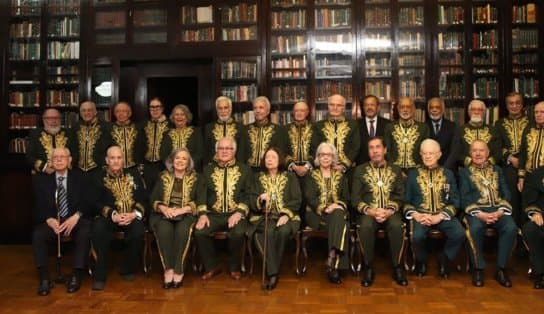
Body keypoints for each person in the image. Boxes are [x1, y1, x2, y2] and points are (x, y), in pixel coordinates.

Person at [32, 147, 91, 295]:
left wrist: (76, 216)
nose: (58, 160)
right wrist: (48, 219)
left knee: (85, 231)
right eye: (55, 157)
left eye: (62, 157)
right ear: (51, 162)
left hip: (74, 219)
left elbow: (88, 201)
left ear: (69, 160)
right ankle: (44, 278)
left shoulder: (80, 177)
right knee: (38, 235)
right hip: (53, 221)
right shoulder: (41, 180)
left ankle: (76, 275)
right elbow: (36, 204)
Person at [404, 139, 465, 278]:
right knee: (417, 236)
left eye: (431, 153)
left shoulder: (448, 174)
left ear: (439, 155)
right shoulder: (413, 174)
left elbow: (456, 202)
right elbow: (406, 202)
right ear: (420, 155)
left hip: (442, 215)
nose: (427, 156)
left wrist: (440, 216)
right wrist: (416, 215)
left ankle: (444, 259)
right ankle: (422, 261)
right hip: (421, 216)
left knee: (459, 233)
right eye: (424, 153)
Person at [460, 140, 516, 288]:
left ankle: (501, 269)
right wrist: (480, 214)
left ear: (488, 153)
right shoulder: (464, 172)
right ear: (470, 154)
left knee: (510, 227)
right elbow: (464, 198)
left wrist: (500, 211)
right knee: (475, 229)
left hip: (498, 210)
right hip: (476, 212)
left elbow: (506, 193)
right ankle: (478, 268)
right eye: (474, 151)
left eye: (481, 150)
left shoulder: (497, 170)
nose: (478, 154)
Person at [195, 137, 253, 280]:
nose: (225, 151)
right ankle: (211, 266)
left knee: (238, 233)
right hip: (213, 215)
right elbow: (201, 194)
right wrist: (202, 214)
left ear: (234, 151)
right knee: (199, 232)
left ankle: (235, 267)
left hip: (236, 213)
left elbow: (249, 194)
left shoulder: (245, 170)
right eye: (221, 148)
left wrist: (239, 213)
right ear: (216, 151)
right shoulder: (207, 170)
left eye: (228, 148)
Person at [351, 137, 407, 287]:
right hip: (369, 212)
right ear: (368, 152)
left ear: (385, 150)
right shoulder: (360, 170)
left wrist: (389, 211)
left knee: (396, 226)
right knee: (365, 226)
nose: (375, 151)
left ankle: (397, 267)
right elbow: (355, 199)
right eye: (371, 148)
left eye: (378, 147)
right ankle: (368, 267)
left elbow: (401, 196)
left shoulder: (395, 169)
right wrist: (371, 211)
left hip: (390, 211)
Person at [90, 145, 147, 291]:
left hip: (130, 216)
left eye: (119, 158)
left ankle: (127, 269)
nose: (116, 161)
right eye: (112, 158)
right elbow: (93, 202)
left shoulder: (133, 174)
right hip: (109, 217)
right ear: (107, 160)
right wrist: (112, 215)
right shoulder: (98, 177)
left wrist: (134, 214)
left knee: (138, 231)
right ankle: (100, 275)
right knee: (99, 229)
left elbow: (143, 198)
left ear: (123, 160)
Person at [149, 148, 205, 289]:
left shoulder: (197, 178)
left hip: (186, 213)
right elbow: (153, 198)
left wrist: (182, 209)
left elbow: (200, 200)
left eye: (184, 158)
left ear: (189, 163)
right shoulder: (162, 176)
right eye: (177, 158)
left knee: (182, 231)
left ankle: (179, 270)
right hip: (164, 214)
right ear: (172, 161)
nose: (180, 161)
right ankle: (168, 269)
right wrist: (164, 208)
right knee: (164, 230)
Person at [249, 147, 301, 290]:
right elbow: (251, 198)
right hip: (263, 217)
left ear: (280, 160)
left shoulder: (290, 177)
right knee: (267, 233)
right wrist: (260, 199)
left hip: (287, 216)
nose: (269, 160)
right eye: (267, 157)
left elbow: (297, 199)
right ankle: (273, 273)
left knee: (283, 231)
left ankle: (273, 268)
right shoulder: (257, 177)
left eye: (273, 157)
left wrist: (285, 214)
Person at [304, 142, 350, 284]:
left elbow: (346, 198)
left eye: (329, 155)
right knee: (342, 223)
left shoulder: (341, 176)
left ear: (333, 157)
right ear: (318, 157)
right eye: (322, 155)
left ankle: (332, 259)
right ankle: (335, 262)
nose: (325, 157)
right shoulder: (311, 175)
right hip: (316, 214)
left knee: (338, 215)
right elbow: (310, 198)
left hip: (336, 213)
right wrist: (325, 208)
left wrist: (337, 205)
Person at [495, 92, 529, 227]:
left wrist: (523, 161)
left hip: (528, 165)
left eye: (517, 103)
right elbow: (497, 147)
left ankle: (527, 231)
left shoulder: (530, 122)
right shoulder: (499, 124)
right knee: (512, 198)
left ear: (522, 105)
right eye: (511, 103)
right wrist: (511, 158)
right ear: (507, 105)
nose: (514, 106)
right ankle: (513, 231)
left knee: (528, 198)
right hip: (509, 165)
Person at [315, 94, 360, 172]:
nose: (335, 108)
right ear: (328, 107)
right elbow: (315, 147)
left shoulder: (353, 125)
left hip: (347, 171)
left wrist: (344, 165)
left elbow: (355, 147)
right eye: (332, 105)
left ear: (344, 108)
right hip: (324, 170)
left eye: (339, 105)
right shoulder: (318, 125)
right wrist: (325, 164)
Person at [384, 97, 429, 174]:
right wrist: (396, 170)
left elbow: (426, 150)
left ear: (414, 109)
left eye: (408, 107)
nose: (405, 110)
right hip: (394, 171)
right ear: (398, 109)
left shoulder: (423, 128)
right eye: (402, 107)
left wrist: (418, 168)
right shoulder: (389, 127)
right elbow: (387, 150)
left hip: (417, 171)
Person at [203, 96, 249, 166]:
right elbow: (206, 152)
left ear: (230, 109)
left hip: (235, 167)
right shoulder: (209, 128)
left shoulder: (240, 128)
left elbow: (242, 152)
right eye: (220, 108)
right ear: (217, 110)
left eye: (226, 108)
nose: (223, 111)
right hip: (214, 166)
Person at [70, 101, 112, 176]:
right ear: (80, 113)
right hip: (78, 171)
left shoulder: (106, 127)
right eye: (84, 110)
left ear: (95, 112)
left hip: (99, 171)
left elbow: (109, 148)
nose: (86, 113)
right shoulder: (75, 127)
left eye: (89, 110)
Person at [246, 96, 287, 171]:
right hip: (249, 172)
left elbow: (280, 154)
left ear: (268, 111)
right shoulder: (245, 129)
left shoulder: (278, 130)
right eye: (255, 108)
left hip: (269, 171)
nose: (257, 111)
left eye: (261, 108)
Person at [27, 108, 70, 175]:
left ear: (60, 120)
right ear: (44, 119)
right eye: (50, 118)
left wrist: (64, 166)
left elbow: (74, 154)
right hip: (43, 174)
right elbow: (30, 157)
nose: (53, 121)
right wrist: (44, 167)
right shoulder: (35, 134)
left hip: (65, 173)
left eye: (56, 118)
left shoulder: (68, 133)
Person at [455, 99, 498, 167]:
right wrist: (470, 162)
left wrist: (488, 162)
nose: (476, 112)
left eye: (480, 110)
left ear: (484, 113)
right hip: (466, 170)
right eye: (473, 109)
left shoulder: (493, 130)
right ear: (469, 112)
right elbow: (456, 153)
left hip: (489, 169)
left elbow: (498, 152)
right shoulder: (459, 130)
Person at [160, 104, 203, 170]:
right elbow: (164, 154)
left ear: (187, 117)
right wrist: (173, 167)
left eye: (182, 114)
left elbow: (199, 153)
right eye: (176, 115)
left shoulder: (196, 132)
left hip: (191, 171)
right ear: (173, 117)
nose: (179, 117)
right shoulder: (167, 134)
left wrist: (188, 166)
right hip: (171, 171)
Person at [521, 166, 544, 289]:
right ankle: (540, 273)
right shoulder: (538, 173)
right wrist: (535, 213)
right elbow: (530, 199)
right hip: (542, 216)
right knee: (531, 229)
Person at [141, 97, 170, 189]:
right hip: (147, 165)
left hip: (163, 165)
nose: (155, 110)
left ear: (162, 108)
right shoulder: (144, 124)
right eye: (152, 107)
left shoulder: (170, 125)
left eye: (157, 107)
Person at [284, 101, 318, 178]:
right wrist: (294, 167)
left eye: (302, 111)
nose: (299, 113)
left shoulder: (315, 128)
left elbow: (316, 150)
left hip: (310, 171)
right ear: (293, 112)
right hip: (291, 172)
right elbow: (283, 151)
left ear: (307, 112)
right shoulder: (285, 129)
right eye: (296, 111)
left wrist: (306, 167)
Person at [517, 101, 544, 192]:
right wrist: (521, 177)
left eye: (542, 112)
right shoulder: (528, 129)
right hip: (529, 177)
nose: (538, 115)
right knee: (529, 205)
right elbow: (523, 154)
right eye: (536, 112)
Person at [110, 101, 145, 170]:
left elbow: (142, 149)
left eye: (124, 111)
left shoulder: (138, 128)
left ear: (129, 113)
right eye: (118, 111)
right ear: (114, 113)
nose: (121, 114)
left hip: (135, 168)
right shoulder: (109, 129)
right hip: (115, 168)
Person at [426, 97, 457, 171]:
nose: (434, 110)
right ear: (428, 110)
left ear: (442, 110)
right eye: (431, 108)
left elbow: (454, 151)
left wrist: (445, 169)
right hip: (428, 169)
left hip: (448, 169)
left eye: (437, 107)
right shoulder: (424, 126)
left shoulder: (452, 126)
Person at [357, 95, 390, 165]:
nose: (369, 107)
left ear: (378, 107)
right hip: (361, 167)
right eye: (366, 105)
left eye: (372, 105)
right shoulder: (356, 125)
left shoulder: (388, 124)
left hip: (383, 166)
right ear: (363, 108)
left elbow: (390, 147)